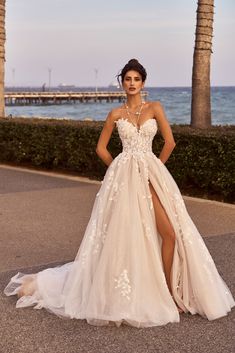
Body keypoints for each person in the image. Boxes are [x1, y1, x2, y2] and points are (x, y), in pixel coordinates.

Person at [4, 59, 235, 328]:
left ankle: (170, 292)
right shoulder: (115, 114)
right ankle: (158, 295)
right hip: (125, 179)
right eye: (128, 79)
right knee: (126, 235)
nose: (132, 83)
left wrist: (154, 167)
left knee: (170, 233)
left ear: (143, 83)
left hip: (151, 175)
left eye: (137, 79)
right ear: (122, 83)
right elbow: (101, 149)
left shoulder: (156, 108)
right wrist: (117, 167)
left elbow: (170, 142)